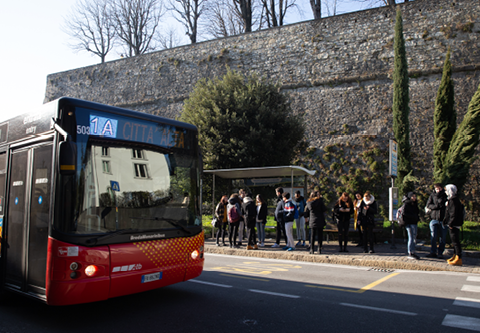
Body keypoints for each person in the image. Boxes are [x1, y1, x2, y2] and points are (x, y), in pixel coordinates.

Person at [425, 183, 448, 258]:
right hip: (434, 218)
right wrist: (436, 206)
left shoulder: (445, 195)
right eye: (437, 189)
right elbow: (428, 205)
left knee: (443, 237)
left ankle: (440, 252)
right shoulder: (432, 195)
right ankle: (433, 251)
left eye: (439, 189)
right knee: (433, 236)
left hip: (443, 219)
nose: (438, 190)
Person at [444, 184, 464, 266]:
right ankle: (455, 255)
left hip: (454, 223)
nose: (445, 192)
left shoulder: (453, 200)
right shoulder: (453, 199)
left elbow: (453, 213)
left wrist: (450, 223)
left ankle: (458, 257)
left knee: (455, 241)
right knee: (454, 241)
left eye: (446, 190)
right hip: (455, 223)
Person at [403, 192, 420, 260]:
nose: (414, 198)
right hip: (409, 223)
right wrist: (413, 216)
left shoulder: (415, 204)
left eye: (415, 196)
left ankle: (413, 251)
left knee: (414, 237)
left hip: (414, 222)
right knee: (411, 237)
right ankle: (410, 252)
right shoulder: (407, 204)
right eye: (413, 196)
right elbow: (405, 213)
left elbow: (417, 211)